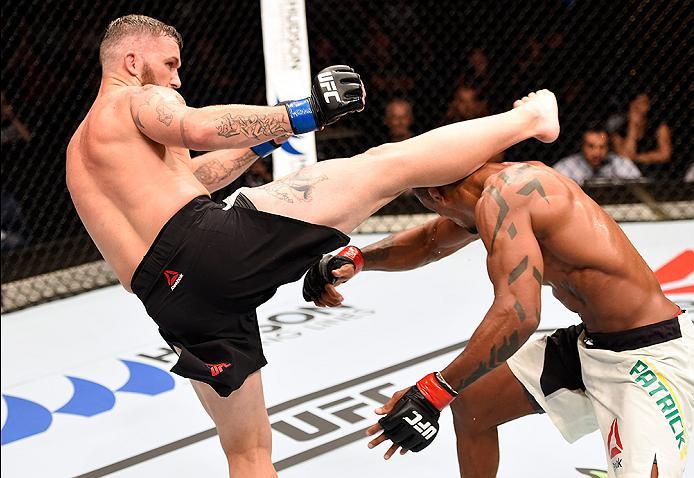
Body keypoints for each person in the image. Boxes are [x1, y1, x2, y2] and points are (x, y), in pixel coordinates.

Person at [66, 14, 559, 477]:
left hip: (174, 304)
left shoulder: (81, 151)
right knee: (388, 164)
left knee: (248, 451)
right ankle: (531, 119)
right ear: (133, 62)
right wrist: (302, 111)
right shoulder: (134, 99)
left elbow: (189, 179)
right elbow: (195, 127)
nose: (176, 79)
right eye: (170, 63)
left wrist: (266, 139)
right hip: (207, 249)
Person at [303, 162, 693, 477]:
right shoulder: (492, 189)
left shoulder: (506, 197)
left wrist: (434, 390)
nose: (443, 220)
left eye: (434, 209)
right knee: (473, 402)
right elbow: (427, 242)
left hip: (650, 354)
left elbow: (519, 315)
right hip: (591, 342)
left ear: (437, 193)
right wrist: (358, 259)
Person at [553, 123, 641, 185]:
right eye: (591, 146)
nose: (597, 153)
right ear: (582, 146)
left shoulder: (620, 163)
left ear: (608, 147)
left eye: (602, 147)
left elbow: (639, 186)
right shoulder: (567, 166)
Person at [611, 92, 673, 179]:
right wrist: (632, 126)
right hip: (630, 174)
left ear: (648, 106)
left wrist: (637, 158)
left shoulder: (659, 126)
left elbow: (665, 154)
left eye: (642, 103)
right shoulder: (619, 131)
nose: (638, 107)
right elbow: (624, 158)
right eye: (635, 103)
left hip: (657, 171)